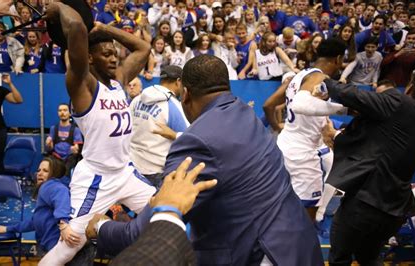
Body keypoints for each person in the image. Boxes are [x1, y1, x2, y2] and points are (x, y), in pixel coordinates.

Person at [92, 55, 324, 265]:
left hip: (262, 255)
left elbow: (150, 227)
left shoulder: (194, 142)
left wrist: (101, 227)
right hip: (300, 243)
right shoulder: (245, 113)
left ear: (186, 94)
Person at [40, 3, 155, 265]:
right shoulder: (82, 85)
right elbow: (79, 28)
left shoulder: (120, 80)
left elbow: (143, 48)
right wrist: (58, 5)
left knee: (164, 211)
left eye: (115, 53)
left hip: (125, 172)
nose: (114, 58)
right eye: (106, 54)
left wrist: (105, 28)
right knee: (69, 246)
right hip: (96, 178)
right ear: (90, 58)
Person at [321, 67, 415, 265]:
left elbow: (353, 95)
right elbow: (383, 141)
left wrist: (323, 79)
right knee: (369, 257)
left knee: (339, 257)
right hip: (395, 208)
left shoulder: (399, 102)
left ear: (409, 87)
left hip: (366, 202)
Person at [270, 38, 346, 220]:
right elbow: (300, 104)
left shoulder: (299, 75)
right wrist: (344, 109)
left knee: (281, 205)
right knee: (307, 217)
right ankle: (298, 246)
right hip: (302, 154)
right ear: (337, 59)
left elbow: (268, 104)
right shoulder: (320, 77)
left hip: (285, 143)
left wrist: (279, 128)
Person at [0, 157, 77, 256]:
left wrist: (64, 224)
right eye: (38, 170)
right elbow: (35, 221)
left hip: (54, 247)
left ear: (55, 174)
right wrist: (9, 228)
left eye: (45, 171)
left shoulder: (52, 185)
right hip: (47, 245)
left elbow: (61, 197)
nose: (39, 173)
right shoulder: (46, 190)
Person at [129, 65, 189, 187]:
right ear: (178, 82)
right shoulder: (172, 105)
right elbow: (190, 138)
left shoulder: (137, 99)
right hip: (156, 171)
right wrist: (174, 134)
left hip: (133, 167)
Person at [45, 104, 83, 178]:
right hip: (56, 157)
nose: (62, 112)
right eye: (60, 110)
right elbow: (50, 148)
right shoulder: (54, 128)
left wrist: (75, 149)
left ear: (70, 113)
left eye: (65, 110)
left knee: (67, 171)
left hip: (69, 158)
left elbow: (77, 149)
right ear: (58, 113)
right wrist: (49, 144)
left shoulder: (75, 130)